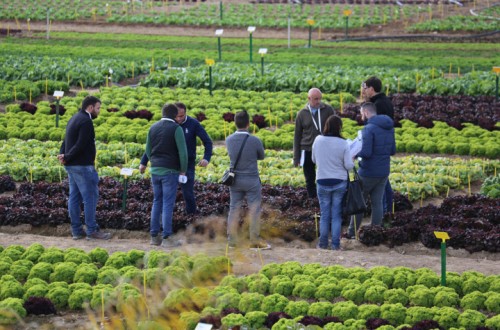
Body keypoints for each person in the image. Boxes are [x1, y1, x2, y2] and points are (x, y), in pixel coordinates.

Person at [140, 102, 212, 215]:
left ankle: (191, 216)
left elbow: (207, 141)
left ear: (186, 113)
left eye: (182, 116)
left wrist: (206, 158)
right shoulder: (168, 125)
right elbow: (154, 144)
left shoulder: (193, 123)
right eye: (177, 116)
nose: (179, 118)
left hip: (187, 165)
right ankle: (166, 220)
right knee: (165, 196)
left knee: (187, 193)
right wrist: (144, 162)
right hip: (170, 165)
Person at [57, 96, 111, 240]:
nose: (99, 111)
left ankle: (76, 230)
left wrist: (63, 154)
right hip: (82, 166)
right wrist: (67, 156)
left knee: (74, 197)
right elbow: (80, 144)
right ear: (91, 107)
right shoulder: (86, 121)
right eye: (98, 108)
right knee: (90, 197)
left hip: (72, 166)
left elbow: (66, 140)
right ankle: (92, 231)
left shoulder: (74, 118)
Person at [347, 102, 396, 238]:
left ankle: (351, 232)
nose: (361, 115)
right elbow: (392, 150)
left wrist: (355, 153)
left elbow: (367, 152)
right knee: (377, 202)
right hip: (384, 171)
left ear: (366, 113)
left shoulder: (368, 129)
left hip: (368, 172)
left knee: (358, 202)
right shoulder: (389, 127)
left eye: (361, 113)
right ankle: (375, 231)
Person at [146, 103, 188, 247]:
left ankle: (154, 236)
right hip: (170, 171)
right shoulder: (177, 129)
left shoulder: (153, 127)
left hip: (155, 170)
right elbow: (183, 152)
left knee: (157, 201)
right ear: (175, 115)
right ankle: (167, 237)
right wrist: (183, 169)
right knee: (168, 203)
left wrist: (154, 162)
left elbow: (147, 149)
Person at [225, 110, 268, 249]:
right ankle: (254, 239)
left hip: (235, 179)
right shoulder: (255, 140)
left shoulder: (229, 140)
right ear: (249, 124)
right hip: (251, 179)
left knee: (234, 209)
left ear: (235, 123)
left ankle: (232, 239)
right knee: (254, 210)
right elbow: (261, 156)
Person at [312, 115, 354, 251]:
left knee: (325, 215)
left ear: (326, 126)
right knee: (336, 215)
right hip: (339, 181)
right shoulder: (344, 143)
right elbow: (348, 165)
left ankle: (323, 244)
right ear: (339, 127)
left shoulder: (318, 140)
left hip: (322, 180)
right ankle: (335, 245)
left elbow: (313, 159)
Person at [293, 88, 336, 199]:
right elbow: (297, 136)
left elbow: (336, 128)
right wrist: (296, 157)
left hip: (324, 149)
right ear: (309, 98)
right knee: (309, 177)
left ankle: (325, 197)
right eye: (316, 99)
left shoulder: (328, 110)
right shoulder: (302, 113)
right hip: (307, 149)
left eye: (320, 99)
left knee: (325, 175)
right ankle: (313, 200)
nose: (318, 101)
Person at [362, 76, 395, 214]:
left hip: (376, 149)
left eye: (365, 88)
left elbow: (375, 128)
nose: (363, 91)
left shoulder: (377, 105)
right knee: (383, 179)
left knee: (380, 183)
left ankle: (387, 211)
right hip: (384, 147)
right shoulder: (386, 101)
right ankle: (387, 211)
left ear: (371, 88)